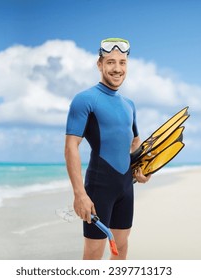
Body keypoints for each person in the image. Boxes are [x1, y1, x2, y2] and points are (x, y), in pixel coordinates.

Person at [65, 38, 151, 260]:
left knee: (121, 248)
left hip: (125, 187)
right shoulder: (85, 100)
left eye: (122, 63)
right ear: (99, 64)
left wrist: (140, 169)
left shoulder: (129, 104)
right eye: (111, 62)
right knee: (93, 255)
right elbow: (71, 146)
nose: (117, 68)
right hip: (98, 187)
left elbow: (135, 142)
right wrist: (79, 194)